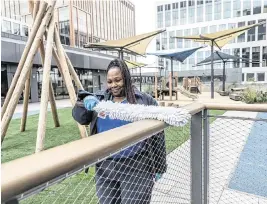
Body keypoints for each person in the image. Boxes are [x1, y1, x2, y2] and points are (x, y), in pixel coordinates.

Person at [72, 59, 167, 204]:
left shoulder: (145, 101)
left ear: (126, 79)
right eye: (110, 81)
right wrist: (83, 101)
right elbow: (81, 118)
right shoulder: (100, 100)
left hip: (136, 166)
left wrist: (160, 166)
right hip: (105, 166)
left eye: (117, 80)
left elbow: (158, 135)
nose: (113, 85)